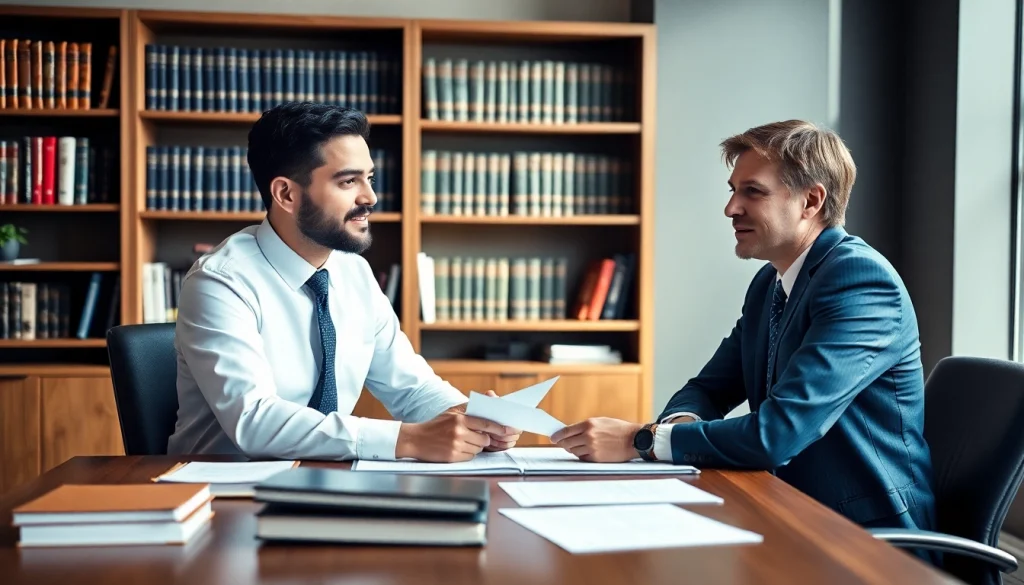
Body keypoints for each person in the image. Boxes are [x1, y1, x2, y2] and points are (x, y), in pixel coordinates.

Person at [551, 120, 938, 535]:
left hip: (870, 536)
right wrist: (676, 427)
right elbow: (710, 388)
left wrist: (641, 440)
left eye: (752, 191)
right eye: (733, 190)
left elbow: (777, 434)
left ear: (810, 200)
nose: (731, 208)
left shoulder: (860, 282)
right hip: (791, 511)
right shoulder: (770, 284)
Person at [167, 102, 519, 462]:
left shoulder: (354, 273)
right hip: (222, 494)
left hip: (326, 485)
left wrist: (471, 421)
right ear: (286, 194)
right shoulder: (219, 283)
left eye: (369, 178)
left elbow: (411, 389)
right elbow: (254, 419)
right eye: (348, 181)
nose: (370, 197)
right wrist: (406, 440)